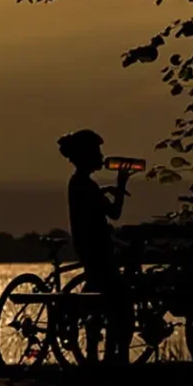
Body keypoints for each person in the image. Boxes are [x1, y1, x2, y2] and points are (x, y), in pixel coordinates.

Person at [57, 129, 132, 365]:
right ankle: (113, 358)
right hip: (97, 250)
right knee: (119, 303)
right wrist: (121, 185)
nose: (101, 156)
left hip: (90, 248)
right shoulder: (85, 185)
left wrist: (104, 193)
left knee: (101, 302)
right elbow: (115, 213)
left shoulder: (79, 183)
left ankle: (97, 355)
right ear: (87, 155)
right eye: (97, 151)